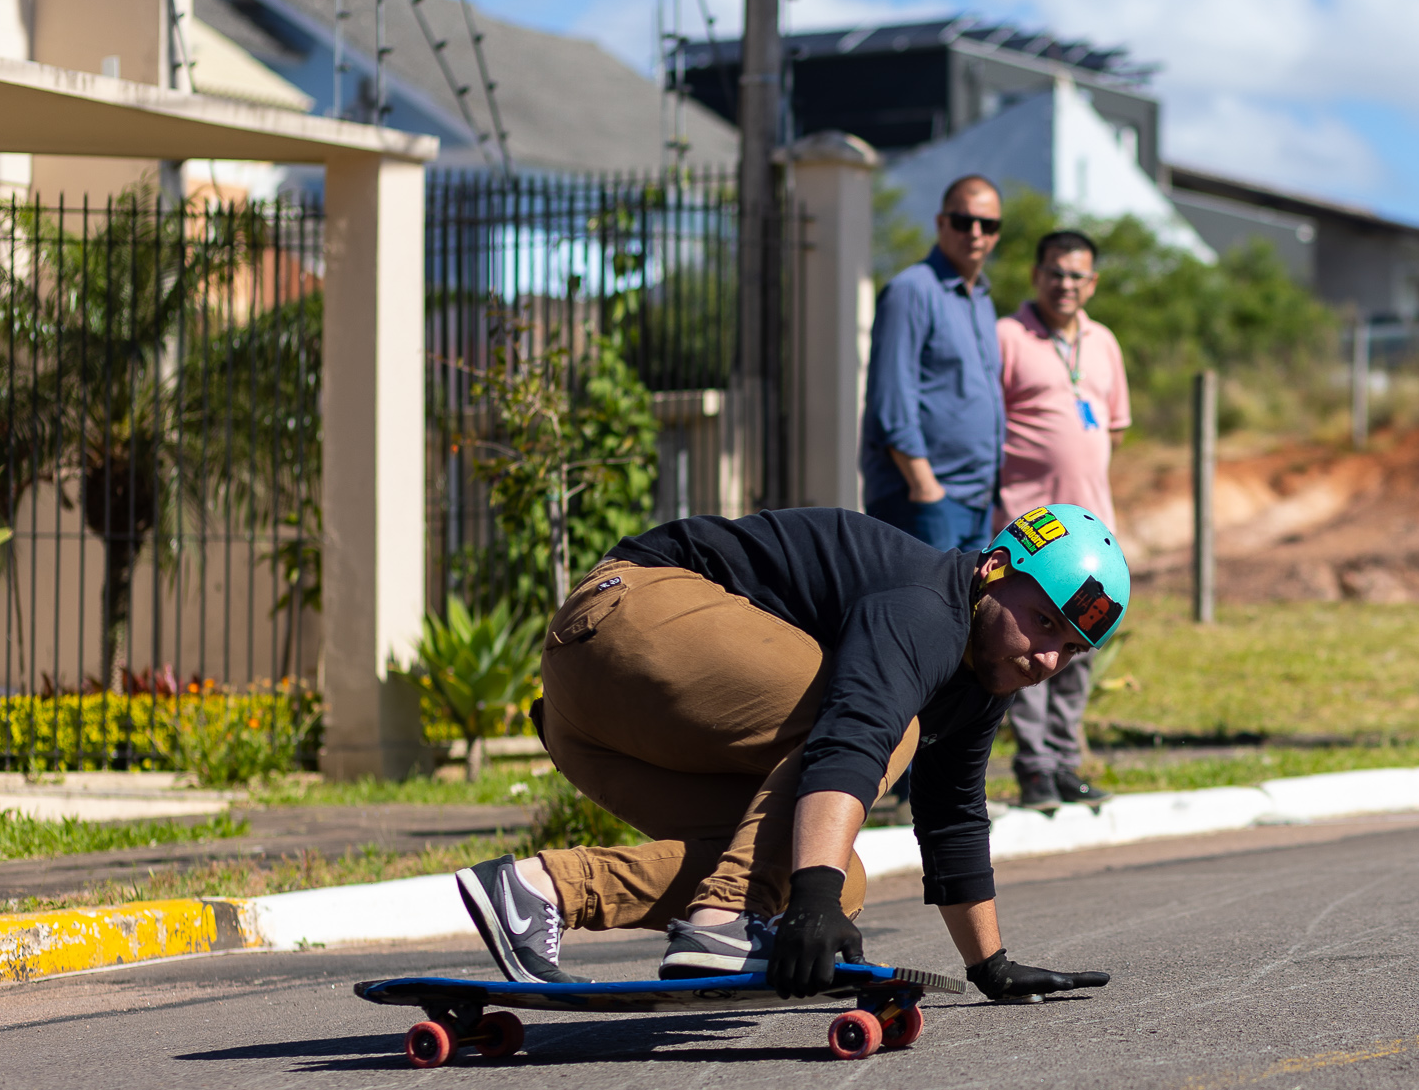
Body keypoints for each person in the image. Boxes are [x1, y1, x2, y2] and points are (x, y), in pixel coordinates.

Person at [451, 503, 1130, 1002]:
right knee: (878, 743)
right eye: (1043, 622)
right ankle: (720, 924)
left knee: (839, 877)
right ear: (993, 568)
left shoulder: (979, 682)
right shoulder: (927, 606)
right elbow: (857, 729)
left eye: (1070, 647)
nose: (1047, 658)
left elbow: (951, 814)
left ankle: (539, 891)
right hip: (631, 617)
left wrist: (992, 967)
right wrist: (812, 896)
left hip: (596, 733)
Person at [995, 230, 1132, 811]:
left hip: (1090, 536)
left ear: (1092, 282)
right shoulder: (1008, 337)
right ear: (1036, 275)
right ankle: (1033, 771)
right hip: (1031, 535)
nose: (1065, 284)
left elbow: (1115, 427)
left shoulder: (1104, 342)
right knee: (1030, 646)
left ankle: (1065, 764)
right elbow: (984, 423)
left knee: (1079, 649)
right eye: (1055, 272)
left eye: (1077, 275)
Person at [860, 175, 1007, 553]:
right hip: (923, 499)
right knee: (923, 611)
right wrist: (925, 487)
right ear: (941, 223)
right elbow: (891, 402)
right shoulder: (912, 290)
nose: (975, 233)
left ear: (997, 233)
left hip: (975, 502)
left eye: (987, 224)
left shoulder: (982, 298)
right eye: (963, 221)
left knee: (964, 612)